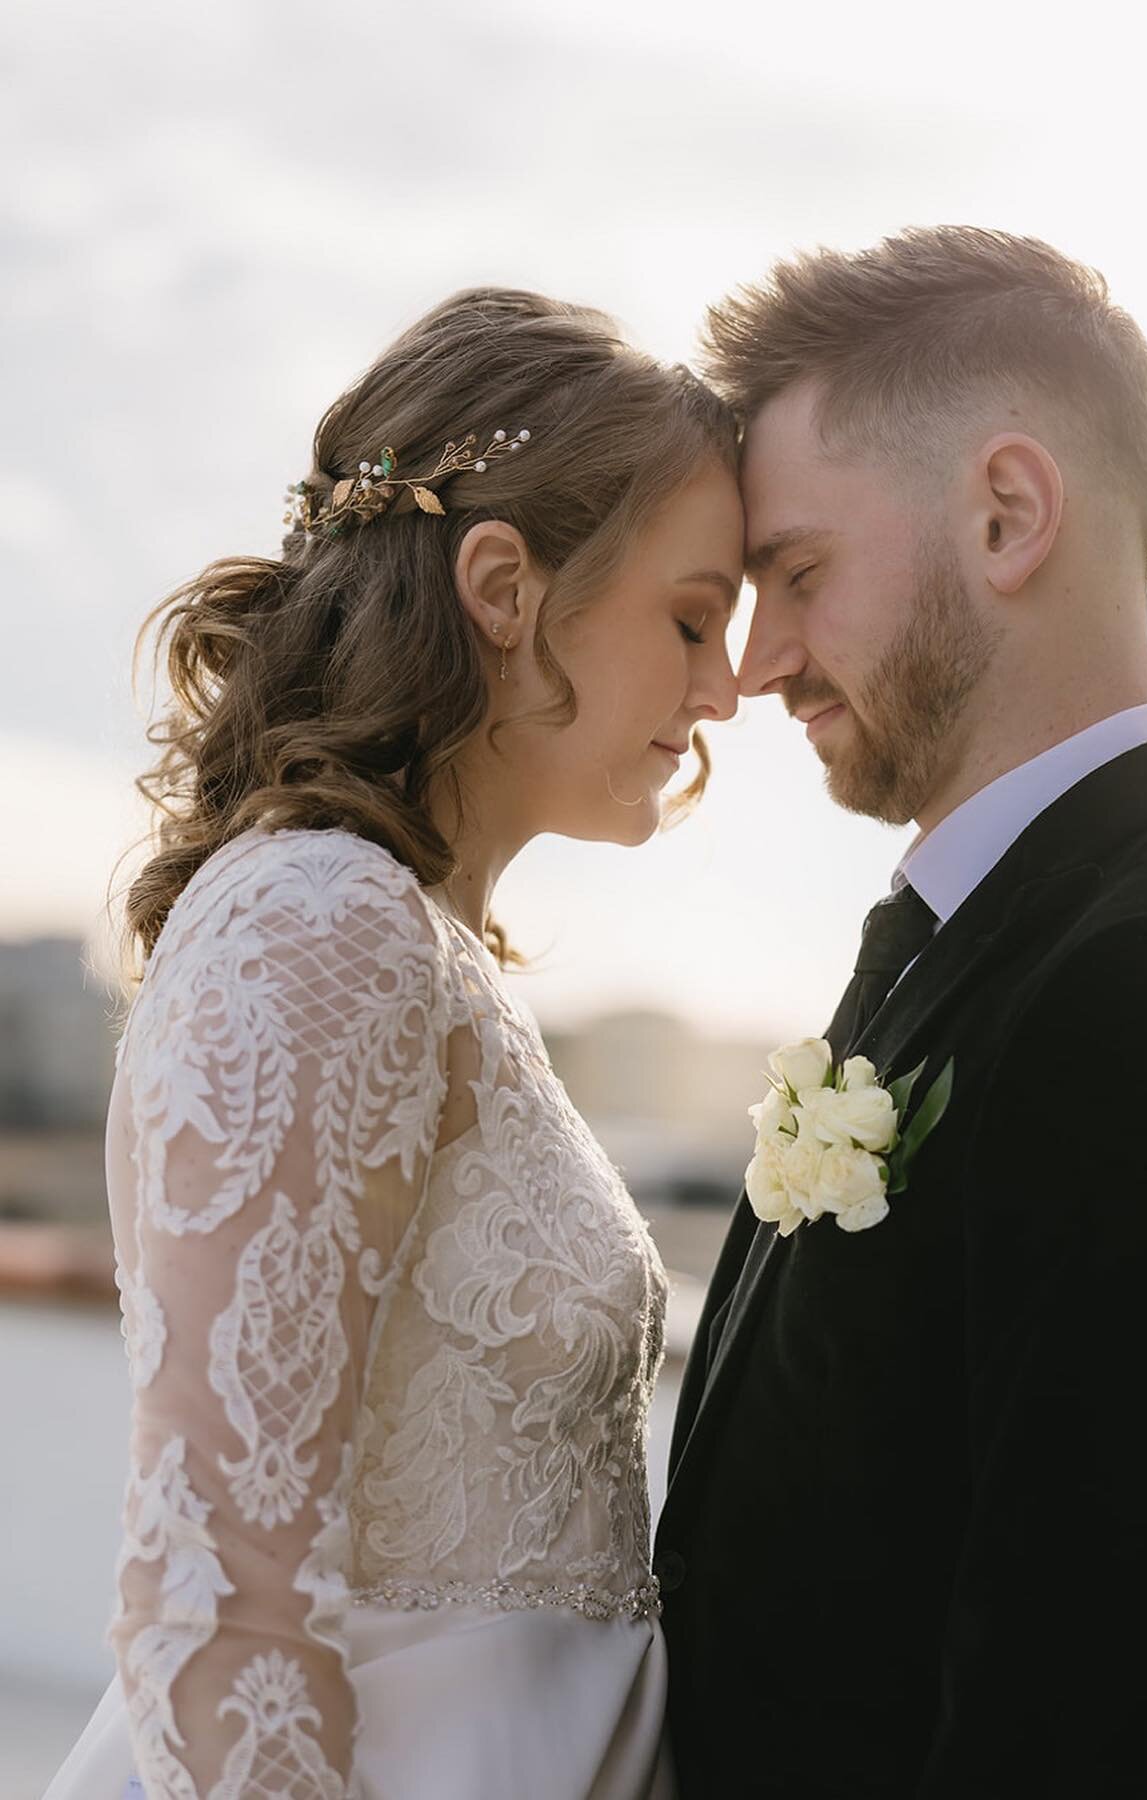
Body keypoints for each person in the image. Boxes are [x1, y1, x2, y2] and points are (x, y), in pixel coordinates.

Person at [655, 227, 1147, 1798]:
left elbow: (1091, 1748)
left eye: (795, 573)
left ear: (1007, 514)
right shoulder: (1005, 932)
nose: (756, 665)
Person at [44, 287, 742, 1800]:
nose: (725, 689)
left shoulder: (417, 938)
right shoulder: (321, 921)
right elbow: (214, 1592)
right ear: (503, 582)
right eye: (691, 619)